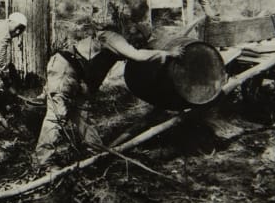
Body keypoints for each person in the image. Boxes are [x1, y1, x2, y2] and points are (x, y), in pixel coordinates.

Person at [34, 26, 182, 167]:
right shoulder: (113, 38)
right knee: (57, 114)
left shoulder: (115, 44)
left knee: (83, 117)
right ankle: (43, 161)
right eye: (140, 39)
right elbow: (137, 55)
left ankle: (96, 154)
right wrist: (167, 53)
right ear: (133, 31)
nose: (138, 43)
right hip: (65, 69)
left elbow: (95, 69)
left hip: (76, 74)